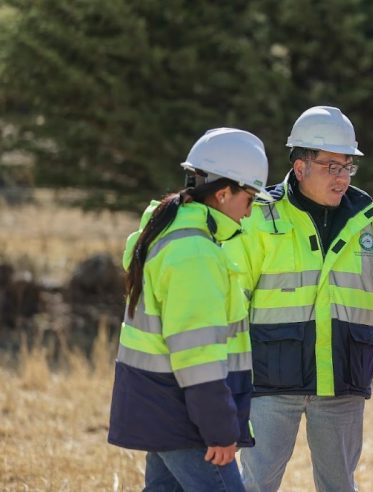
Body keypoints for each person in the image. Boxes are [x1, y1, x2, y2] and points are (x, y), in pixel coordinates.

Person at [223, 106, 373, 491]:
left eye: (347, 166)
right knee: (255, 484)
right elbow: (232, 296)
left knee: (339, 486)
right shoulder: (261, 217)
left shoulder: (368, 222)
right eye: (331, 166)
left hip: (342, 378)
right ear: (300, 167)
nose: (342, 177)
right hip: (269, 379)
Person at [108, 128, 272, 491]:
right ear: (224, 192)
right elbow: (196, 354)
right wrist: (219, 430)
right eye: (250, 199)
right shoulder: (195, 254)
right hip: (185, 418)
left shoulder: (171, 233)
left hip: (165, 410)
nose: (250, 212)